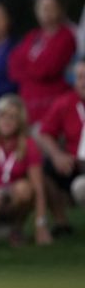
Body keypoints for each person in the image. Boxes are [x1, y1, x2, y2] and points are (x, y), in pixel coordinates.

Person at [0, 95, 52, 248]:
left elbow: (38, 188)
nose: (7, 121)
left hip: (12, 194)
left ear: (20, 120)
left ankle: (16, 229)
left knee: (25, 188)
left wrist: (41, 225)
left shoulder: (29, 144)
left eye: (12, 117)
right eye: (2, 116)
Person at [8, 0, 76, 125]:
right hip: (29, 108)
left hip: (52, 107)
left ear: (60, 9)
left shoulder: (66, 36)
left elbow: (48, 69)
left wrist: (28, 66)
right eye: (41, 7)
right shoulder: (32, 36)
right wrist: (34, 67)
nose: (46, 11)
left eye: (50, 7)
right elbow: (13, 67)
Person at [37, 58, 85, 236]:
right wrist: (57, 155)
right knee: (44, 167)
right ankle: (61, 222)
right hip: (77, 165)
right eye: (80, 77)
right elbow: (45, 133)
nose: (83, 82)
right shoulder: (66, 102)